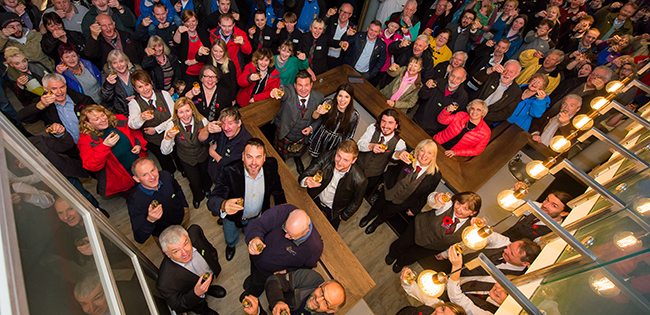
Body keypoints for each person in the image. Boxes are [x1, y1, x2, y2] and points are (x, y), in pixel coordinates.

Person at [208, 138, 286, 260]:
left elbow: (278, 191)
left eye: (258, 157)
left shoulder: (271, 166)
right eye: (249, 157)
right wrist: (223, 205)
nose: (254, 162)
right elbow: (212, 201)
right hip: (232, 218)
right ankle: (231, 245)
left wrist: (284, 214)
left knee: (250, 231)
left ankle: (246, 231)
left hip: (256, 216)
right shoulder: (229, 171)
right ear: (243, 156)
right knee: (230, 235)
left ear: (264, 158)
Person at [360, 139, 443, 234]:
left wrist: (414, 209)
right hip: (389, 188)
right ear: (418, 150)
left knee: (388, 213)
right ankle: (369, 216)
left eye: (429, 153)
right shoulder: (408, 156)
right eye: (422, 150)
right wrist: (398, 154)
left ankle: (376, 223)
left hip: (403, 201)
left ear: (433, 156)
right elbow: (391, 158)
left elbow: (426, 195)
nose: (424, 155)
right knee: (378, 204)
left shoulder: (435, 175)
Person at [387, 191, 481, 273]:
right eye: (458, 204)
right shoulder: (447, 205)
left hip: (433, 247)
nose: (459, 209)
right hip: (418, 228)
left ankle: (401, 263)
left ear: (473, 213)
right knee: (402, 243)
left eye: (465, 209)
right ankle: (392, 254)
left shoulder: (469, 229)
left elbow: (461, 245)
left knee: (413, 255)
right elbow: (431, 201)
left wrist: (445, 254)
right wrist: (436, 197)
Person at [243, 204, 323, 297]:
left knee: (258, 283)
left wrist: (287, 271)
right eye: (285, 229)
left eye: (291, 236)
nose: (286, 236)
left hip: (267, 272)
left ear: (305, 232)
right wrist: (255, 237)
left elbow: (305, 268)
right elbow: (259, 223)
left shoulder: (314, 248)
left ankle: (252, 293)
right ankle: (252, 279)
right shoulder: (286, 210)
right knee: (254, 272)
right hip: (256, 257)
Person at [77, 105, 148, 197]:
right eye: (96, 119)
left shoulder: (119, 120)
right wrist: (105, 146)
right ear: (88, 123)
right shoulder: (85, 141)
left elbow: (135, 132)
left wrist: (138, 144)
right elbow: (91, 165)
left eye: (103, 115)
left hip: (142, 169)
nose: (102, 120)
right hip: (123, 180)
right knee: (138, 200)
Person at [156, 224, 226, 315]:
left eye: (185, 244)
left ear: (189, 238)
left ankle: (209, 288)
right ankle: (205, 310)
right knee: (200, 307)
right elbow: (177, 305)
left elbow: (209, 249)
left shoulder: (195, 232)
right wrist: (196, 293)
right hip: (194, 298)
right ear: (167, 254)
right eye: (176, 251)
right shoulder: (164, 283)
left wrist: (213, 261)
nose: (185, 253)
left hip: (207, 275)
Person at [299, 139, 367, 230]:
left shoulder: (360, 180)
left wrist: (344, 216)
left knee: (327, 232)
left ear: (354, 160)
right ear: (337, 150)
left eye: (346, 160)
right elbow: (306, 173)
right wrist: (306, 180)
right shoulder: (326, 156)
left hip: (334, 210)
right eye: (339, 156)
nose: (340, 162)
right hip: (315, 198)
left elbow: (356, 201)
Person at [160, 97, 212, 209]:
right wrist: (168, 137)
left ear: (192, 110)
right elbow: (165, 151)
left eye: (187, 111)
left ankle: (207, 190)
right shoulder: (171, 125)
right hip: (186, 159)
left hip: (203, 155)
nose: (185, 115)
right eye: (181, 112)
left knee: (206, 175)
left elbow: (211, 139)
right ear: (177, 114)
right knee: (194, 181)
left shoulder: (202, 121)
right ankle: (198, 196)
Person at [270, 70, 325, 173]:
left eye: (306, 85)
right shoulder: (289, 91)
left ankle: (297, 158)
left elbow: (320, 118)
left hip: (302, 137)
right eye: (300, 85)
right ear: (295, 85)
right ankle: (282, 159)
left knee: (299, 151)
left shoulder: (319, 97)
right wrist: (276, 92)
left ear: (311, 85)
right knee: (281, 153)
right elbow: (283, 93)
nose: (303, 89)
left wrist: (311, 128)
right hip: (285, 132)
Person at [127, 70, 178, 175]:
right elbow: (132, 124)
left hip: (172, 133)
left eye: (146, 84)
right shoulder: (134, 103)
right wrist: (141, 118)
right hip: (154, 141)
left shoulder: (163, 94)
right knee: (164, 161)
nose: (145, 89)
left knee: (179, 155)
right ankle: (170, 175)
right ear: (135, 89)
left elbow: (174, 117)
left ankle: (183, 171)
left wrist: (157, 129)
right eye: (140, 87)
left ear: (151, 82)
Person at [18, 73, 94, 143]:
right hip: (71, 148)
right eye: (54, 89)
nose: (59, 92)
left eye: (62, 87)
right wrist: (41, 105)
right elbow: (23, 118)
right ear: (46, 89)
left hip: (93, 142)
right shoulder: (44, 105)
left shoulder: (81, 100)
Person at [127, 157, 189, 243]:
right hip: (163, 234)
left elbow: (178, 190)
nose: (152, 177)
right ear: (137, 179)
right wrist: (150, 220)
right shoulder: (135, 201)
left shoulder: (165, 176)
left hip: (182, 219)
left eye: (152, 170)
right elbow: (139, 238)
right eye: (145, 175)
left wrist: (185, 206)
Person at [243, 269, 346, 315]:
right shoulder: (312, 278)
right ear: (321, 285)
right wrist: (278, 301)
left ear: (331, 311)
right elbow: (274, 280)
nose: (318, 299)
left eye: (326, 302)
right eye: (322, 292)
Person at [356, 109, 407, 197]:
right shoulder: (373, 128)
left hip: (373, 176)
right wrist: (371, 146)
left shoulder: (400, 143)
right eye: (383, 121)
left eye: (390, 123)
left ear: (396, 125)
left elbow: (393, 160)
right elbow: (359, 145)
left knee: (358, 196)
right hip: (356, 166)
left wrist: (398, 155)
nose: (386, 126)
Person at [198, 106, 252, 184]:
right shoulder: (220, 129)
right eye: (223, 123)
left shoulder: (246, 143)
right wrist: (206, 129)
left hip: (228, 180)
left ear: (239, 123)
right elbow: (201, 139)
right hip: (214, 172)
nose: (226, 128)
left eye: (230, 123)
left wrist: (212, 153)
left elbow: (227, 164)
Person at [414, 67, 468, 136]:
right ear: (449, 73)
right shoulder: (438, 82)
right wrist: (426, 88)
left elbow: (454, 119)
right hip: (417, 121)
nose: (453, 80)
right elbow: (422, 96)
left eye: (458, 78)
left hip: (432, 132)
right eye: (452, 76)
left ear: (463, 80)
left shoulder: (463, 97)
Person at [308, 84, 359, 158]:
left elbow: (349, 136)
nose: (342, 100)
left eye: (346, 97)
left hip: (336, 143)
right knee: (314, 160)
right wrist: (318, 111)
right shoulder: (328, 104)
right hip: (321, 137)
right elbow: (314, 117)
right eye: (340, 96)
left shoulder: (354, 115)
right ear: (336, 96)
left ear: (351, 98)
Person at [502, 191, 572, 241]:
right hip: (501, 238)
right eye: (547, 200)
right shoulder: (538, 207)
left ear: (564, 213)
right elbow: (515, 203)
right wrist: (516, 192)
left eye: (554, 205)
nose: (545, 205)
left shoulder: (553, 233)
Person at [470, 60, 523, 126]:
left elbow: (505, 113)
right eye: (505, 70)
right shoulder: (493, 75)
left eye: (511, 72)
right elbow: (477, 78)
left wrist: (483, 115)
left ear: (517, 74)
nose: (507, 74)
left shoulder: (516, 92)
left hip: (484, 122)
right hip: (469, 110)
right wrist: (491, 69)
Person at [208, 13, 252, 77]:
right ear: (219, 24)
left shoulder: (240, 34)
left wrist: (243, 43)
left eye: (229, 26)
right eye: (224, 26)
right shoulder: (213, 34)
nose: (227, 29)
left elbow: (248, 51)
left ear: (234, 24)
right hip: (218, 69)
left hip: (235, 70)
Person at [99, 49, 140, 116]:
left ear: (126, 61)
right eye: (115, 63)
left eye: (121, 61)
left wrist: (137, 97)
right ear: (111, 65)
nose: (119, 65)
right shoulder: (109, 77)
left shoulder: (137, 72)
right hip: (121, 115)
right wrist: (109, 85)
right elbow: (105, 99)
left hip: (139, 110)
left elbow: (148, 89)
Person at [172, 10, 209, 84]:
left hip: (204, 72)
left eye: (193, 21)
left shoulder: (203, 32)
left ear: (197, 22)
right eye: (188, 21)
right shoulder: (182, 34)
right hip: (188, 73)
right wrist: (178, 31)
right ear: (183, 22)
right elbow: (176, 43)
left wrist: (195, 61)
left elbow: (208, 52)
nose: (191, 24)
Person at [325, 3, 354, 69]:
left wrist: (347, 35)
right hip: (324, 57)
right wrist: (327, 16)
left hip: (338, 61)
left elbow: (351, 46)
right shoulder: (331, 20)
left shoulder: (352, 28)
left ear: (350, 15)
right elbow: (321, 27)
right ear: (339, 11)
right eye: (342, 11)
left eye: (347, 13)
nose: (344, 14)